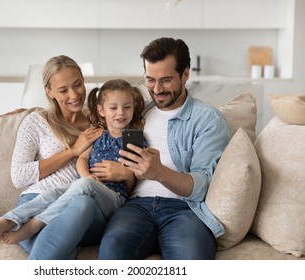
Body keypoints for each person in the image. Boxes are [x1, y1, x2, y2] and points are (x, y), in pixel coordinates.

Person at [98, 37, 232, 260]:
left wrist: (158, 172)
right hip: (136, 206)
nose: (157, 89)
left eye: (166, 80)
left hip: (184, 209)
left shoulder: (208, 120)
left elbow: (203, 185)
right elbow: (98, 115)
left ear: (185, 74)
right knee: (112, 250)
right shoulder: (137, 111)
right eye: (150, 80)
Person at [0, 55, 104, 256]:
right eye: (63, 90)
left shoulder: (100, 120)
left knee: (80, 208)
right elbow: (19, 176)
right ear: (49, 91)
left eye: (78, 84)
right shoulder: (36, 121)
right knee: (57, 254)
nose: (74, 94)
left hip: (79, 205)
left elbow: (133, 103)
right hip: (36, 202)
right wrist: (73, 151)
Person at [0, 79, 146, 245]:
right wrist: (86, 175)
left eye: (127, 107)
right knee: (50, 193)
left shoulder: (134, 139)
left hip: (114, 196)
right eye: (113, 108)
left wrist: (126, 175)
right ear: (101, 110)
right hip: (82, 186)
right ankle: (7, 220)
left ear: (134, 108)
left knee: (84, 186)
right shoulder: (96, 134)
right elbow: (82, 158)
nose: (121, 113)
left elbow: (138, 178)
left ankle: (35, 224)